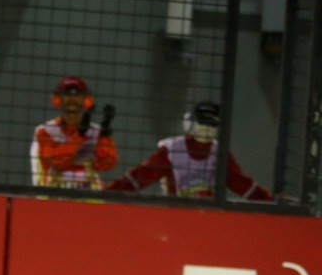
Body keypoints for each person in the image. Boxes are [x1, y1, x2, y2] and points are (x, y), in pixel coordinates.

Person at [106, 102, 272, 201]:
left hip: (210, 214)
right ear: (190, 123)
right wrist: (108, 195)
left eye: (213, 123)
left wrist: (270, 202)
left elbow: (242, 184)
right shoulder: (173, 150)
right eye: (203, 121)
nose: (207, 127)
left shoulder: (219, 153)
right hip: (177, 211)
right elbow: (141, 176)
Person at [30, 75, 118, 190]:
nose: (72, 99)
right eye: (67, 94)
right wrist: (80, 136)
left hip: (89, 201)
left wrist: (105, 136)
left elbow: (108, 163)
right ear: (57, 99)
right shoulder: (45, 131)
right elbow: (55, 161)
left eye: (77, 94)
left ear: (86, 101)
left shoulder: (96, 131)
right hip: (54, 199)